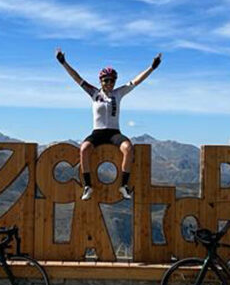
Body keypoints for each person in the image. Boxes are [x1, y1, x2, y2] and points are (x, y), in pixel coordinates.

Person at [55, 48, 162, 201]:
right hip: (97, 133)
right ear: (101, 81)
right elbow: (76, 77)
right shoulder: (94, 93)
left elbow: (137, 81)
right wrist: (63, 63)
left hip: (114, 133)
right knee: (84, 148)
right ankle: (88, 186)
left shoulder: (119, 93)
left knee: (128, 148)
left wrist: (152, 67)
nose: (110, 83)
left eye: (113, 80)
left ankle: (123, 186)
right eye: (107, 80)